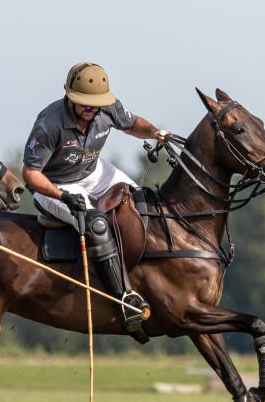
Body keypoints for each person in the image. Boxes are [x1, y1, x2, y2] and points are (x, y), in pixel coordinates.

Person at [21, 62, 169, 334]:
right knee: (96, 223)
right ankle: (124, 299)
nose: (91, 109)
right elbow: (30, 173)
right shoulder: (49, 124)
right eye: (85, 104)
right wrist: (62, 196)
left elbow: (132, 123)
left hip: (95, 171)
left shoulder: (106, 106)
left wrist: (154, 132)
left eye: (96, 104)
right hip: (55, 183)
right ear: (70, 97)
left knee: (141, 205)